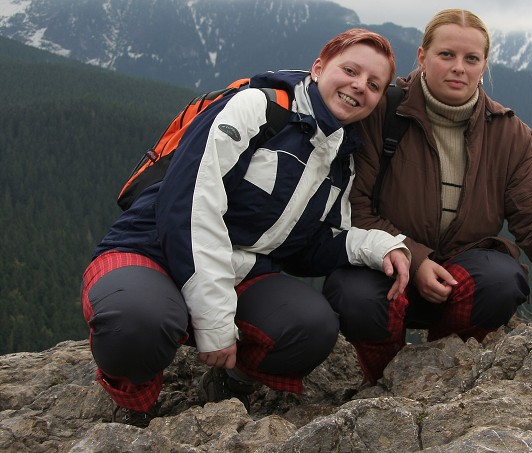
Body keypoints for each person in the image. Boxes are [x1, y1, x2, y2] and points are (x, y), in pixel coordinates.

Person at [81, 29, 411, 427]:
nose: (359, 86)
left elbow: (310, 247)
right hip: (151, 248)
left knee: (311, 328)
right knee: (135, 322)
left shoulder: (342, 157)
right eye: (350, 70)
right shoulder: (257, 107)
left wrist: (379, 246)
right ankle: (134, 402)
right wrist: (215, 320)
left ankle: (231, 382)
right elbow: (190, 206)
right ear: (319, 67)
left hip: (240, 268)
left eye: (374, 85)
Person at [323, 9, 532, 384]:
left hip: (459, 272)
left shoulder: (508, 134)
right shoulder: (382, 112)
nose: (459, 68)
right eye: (446, 55)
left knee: (502, 280)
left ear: (484, 65)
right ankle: (383, 380)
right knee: (354, 294)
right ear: (422, 57)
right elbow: (355, 207)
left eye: (471, 59)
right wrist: (414, 259)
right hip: (385, 265)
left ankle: (448, 376)